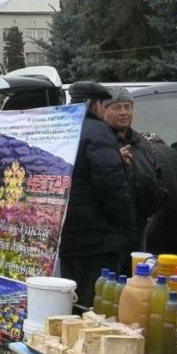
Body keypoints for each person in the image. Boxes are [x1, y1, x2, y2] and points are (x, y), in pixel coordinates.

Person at [59, 81, 133, 310]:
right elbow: (110, 187)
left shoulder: (62, 127)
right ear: (97, 104)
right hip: (96, 237)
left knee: (68, 298)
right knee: (94, 301)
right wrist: (127, 224)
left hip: (64, 234)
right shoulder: (99, 131)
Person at [101, 87, 164, 254]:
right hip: (109, 229)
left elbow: (155, 172)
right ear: (103, 110)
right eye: (116, 107)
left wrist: (157, 197)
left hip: (139, 224)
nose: (123, 112)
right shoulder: (100, 141)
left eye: (127, 107)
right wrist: (113, 160)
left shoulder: (141, 142)